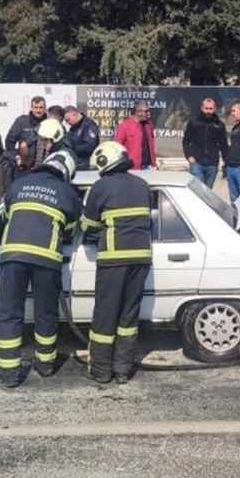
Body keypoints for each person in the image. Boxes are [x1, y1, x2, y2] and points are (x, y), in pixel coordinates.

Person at [0, 150, 80, 388]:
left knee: (10, 313)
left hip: (12, 256)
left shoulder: (18, 184)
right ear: (67, 172)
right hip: (46, 258)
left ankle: (9, 373)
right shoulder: (67, 192)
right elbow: (71, 231)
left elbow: (6, 216)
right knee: (45, 313)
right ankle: (44, 365)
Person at [82, 141, 153, 384]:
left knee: (105, 316)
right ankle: (123, 370)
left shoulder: (101, 187)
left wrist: (93, 234)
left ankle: (101, 371)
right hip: (141, 259)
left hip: (113, 260)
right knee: (128, 317)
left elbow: (88, 226)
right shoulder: (143, 185)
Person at [183, 97, 228, 189]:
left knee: (208, 192)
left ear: (215, 109)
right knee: (198, 190)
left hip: (212, 163)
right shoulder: (194, 122)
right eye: (206, 108)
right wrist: (189, 156)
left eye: (211, 109)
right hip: (196, 162)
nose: (208, 111)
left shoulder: (219, 125)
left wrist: (226, 162)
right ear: (202, 108)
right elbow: (186, 140)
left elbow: (223, 145)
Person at [114, 102, 158, 170]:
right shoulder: (125, 126)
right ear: (138, 112)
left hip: (148, 166)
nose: (148, 114)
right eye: (146, 111)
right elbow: (117, 146)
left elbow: (151, 145)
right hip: (132, 167)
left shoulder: (148, 125)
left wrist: (154, 162)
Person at [63, 105, 99, 170]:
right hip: (77, 163)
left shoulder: (88, 125)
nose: (67, 123)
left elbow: (90, 146)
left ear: (74, 114)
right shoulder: (73, 128)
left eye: (68, 120)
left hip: (87, 163)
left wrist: (73, 149)